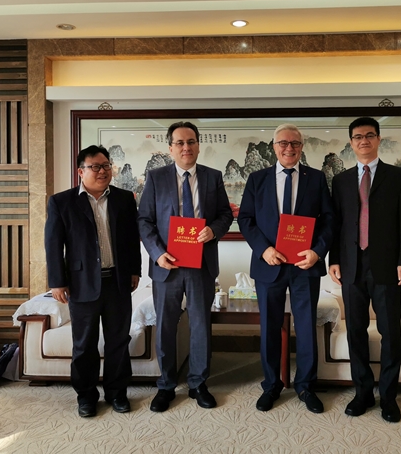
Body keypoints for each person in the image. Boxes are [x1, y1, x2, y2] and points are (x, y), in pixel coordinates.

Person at [138, 121, 233, 412]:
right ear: (170, 148)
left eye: (191, 142)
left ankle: (198, 383)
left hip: (201, 263)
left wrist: (213, 231)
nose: (186, 147)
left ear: (198, 145)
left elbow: (225, 214)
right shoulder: (156, 177)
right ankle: (166, 385)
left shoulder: (213, 177)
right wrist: (157, 253)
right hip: (167, 264)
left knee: (200, 325)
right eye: (179, 143)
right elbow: (144, 220)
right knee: (166, 326)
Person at [238, 123, 334, 414]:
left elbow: (330, 219)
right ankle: (271, 385)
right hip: (270, 264)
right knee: (269, 328)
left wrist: (317, 252)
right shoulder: (257, 179)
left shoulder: (316, 178)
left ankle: (305, 385)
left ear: (301, 147)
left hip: (305, 265)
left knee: (305, 326)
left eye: (295, 143)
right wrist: (264, 249)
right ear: (274, 146)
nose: (289, 148)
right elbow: (246, 219)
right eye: (283, 143)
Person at [328, 116, 401, 423]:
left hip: (387, 266)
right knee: (355, 331)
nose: (363, 141)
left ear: (378, 139)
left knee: (390, 332)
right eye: (357, 137)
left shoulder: (399, 177)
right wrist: (334, 259)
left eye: (369, 135)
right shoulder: (340, 181)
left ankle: (389, 397)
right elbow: (336, 224)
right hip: (351, 266)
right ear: (351, 143)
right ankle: (363, 392)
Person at [45, 145, 141, 418]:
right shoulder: (62, 202)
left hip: (117, 282)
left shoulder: (124, 198)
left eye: (106, 166)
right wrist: (57, 282)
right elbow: (53, 244)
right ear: (80, 171)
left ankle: (117, 393)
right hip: (81, 283)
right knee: (84, 344)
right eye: (95, 167)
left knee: (118, 341)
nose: (102, 171)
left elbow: (132, 239)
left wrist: (134, 271)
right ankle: (86, 396)